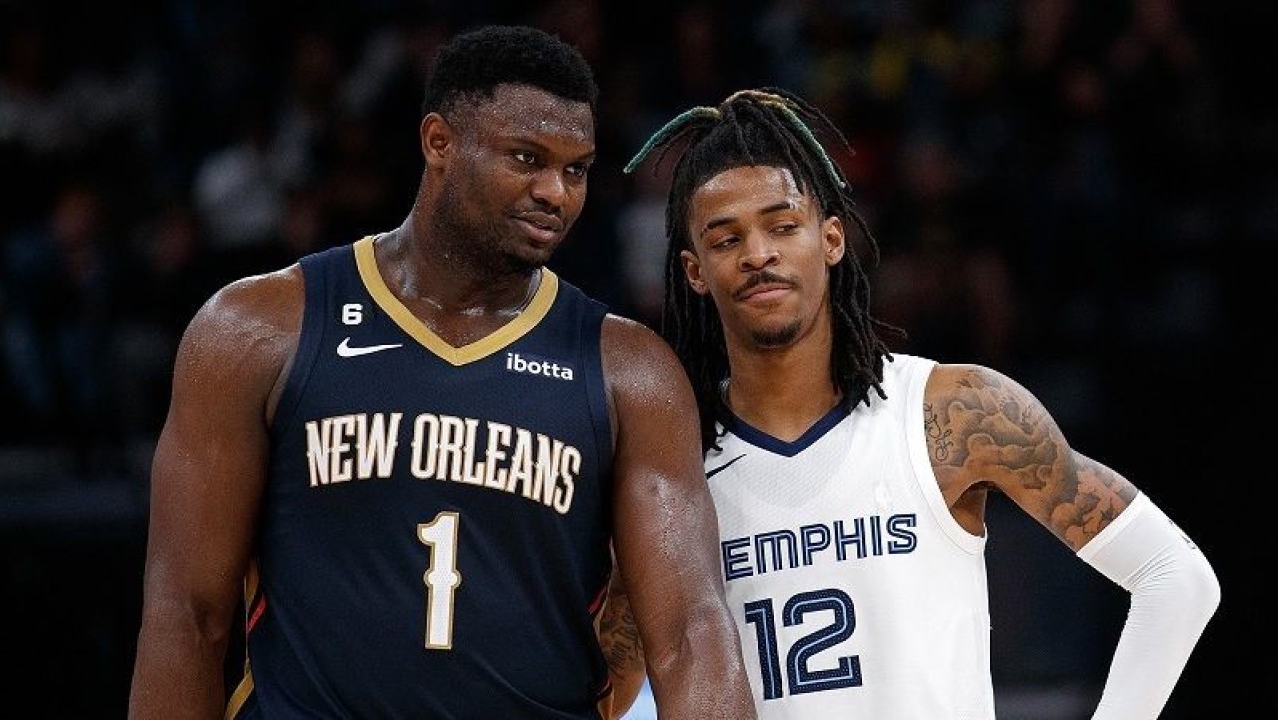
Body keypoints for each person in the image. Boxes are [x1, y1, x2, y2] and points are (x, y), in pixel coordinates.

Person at [128, 25, 756, 720]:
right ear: (439, 142)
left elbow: (690, 637)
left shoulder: (629, 371)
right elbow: (187, 614)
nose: (555, 191)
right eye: (527, 157)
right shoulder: (257, 329)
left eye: (575, 169)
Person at [622, 87, 1220, 719]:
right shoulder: (670, 465)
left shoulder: (957, 414)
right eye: (725, 239)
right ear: (693, 271)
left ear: (831, 239)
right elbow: (606, 685)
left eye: (782, 225)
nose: (758, 254)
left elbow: (1175, 577)